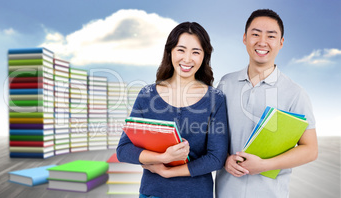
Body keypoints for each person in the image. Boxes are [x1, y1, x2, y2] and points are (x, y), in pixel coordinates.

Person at [116, 22, 228, 198]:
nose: (187, 59)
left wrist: (168, 172)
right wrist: (162, 158)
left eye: (196, 52)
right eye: (181, 50)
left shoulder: (215, 99)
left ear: (204, 56)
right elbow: (123, 150)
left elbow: (216, 158)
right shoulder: (147, 95)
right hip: (152, 193)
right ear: (170, 52)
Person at [215, 9, 318, 198]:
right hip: (226, 193)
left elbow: (310, 150)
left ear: (281, 43)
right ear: (245, 38)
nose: (262, 42)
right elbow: (215, 135)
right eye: (255, 34)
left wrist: (265, 165)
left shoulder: (295, 93)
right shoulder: (225, 83)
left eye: (271, 36)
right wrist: (224, 160)